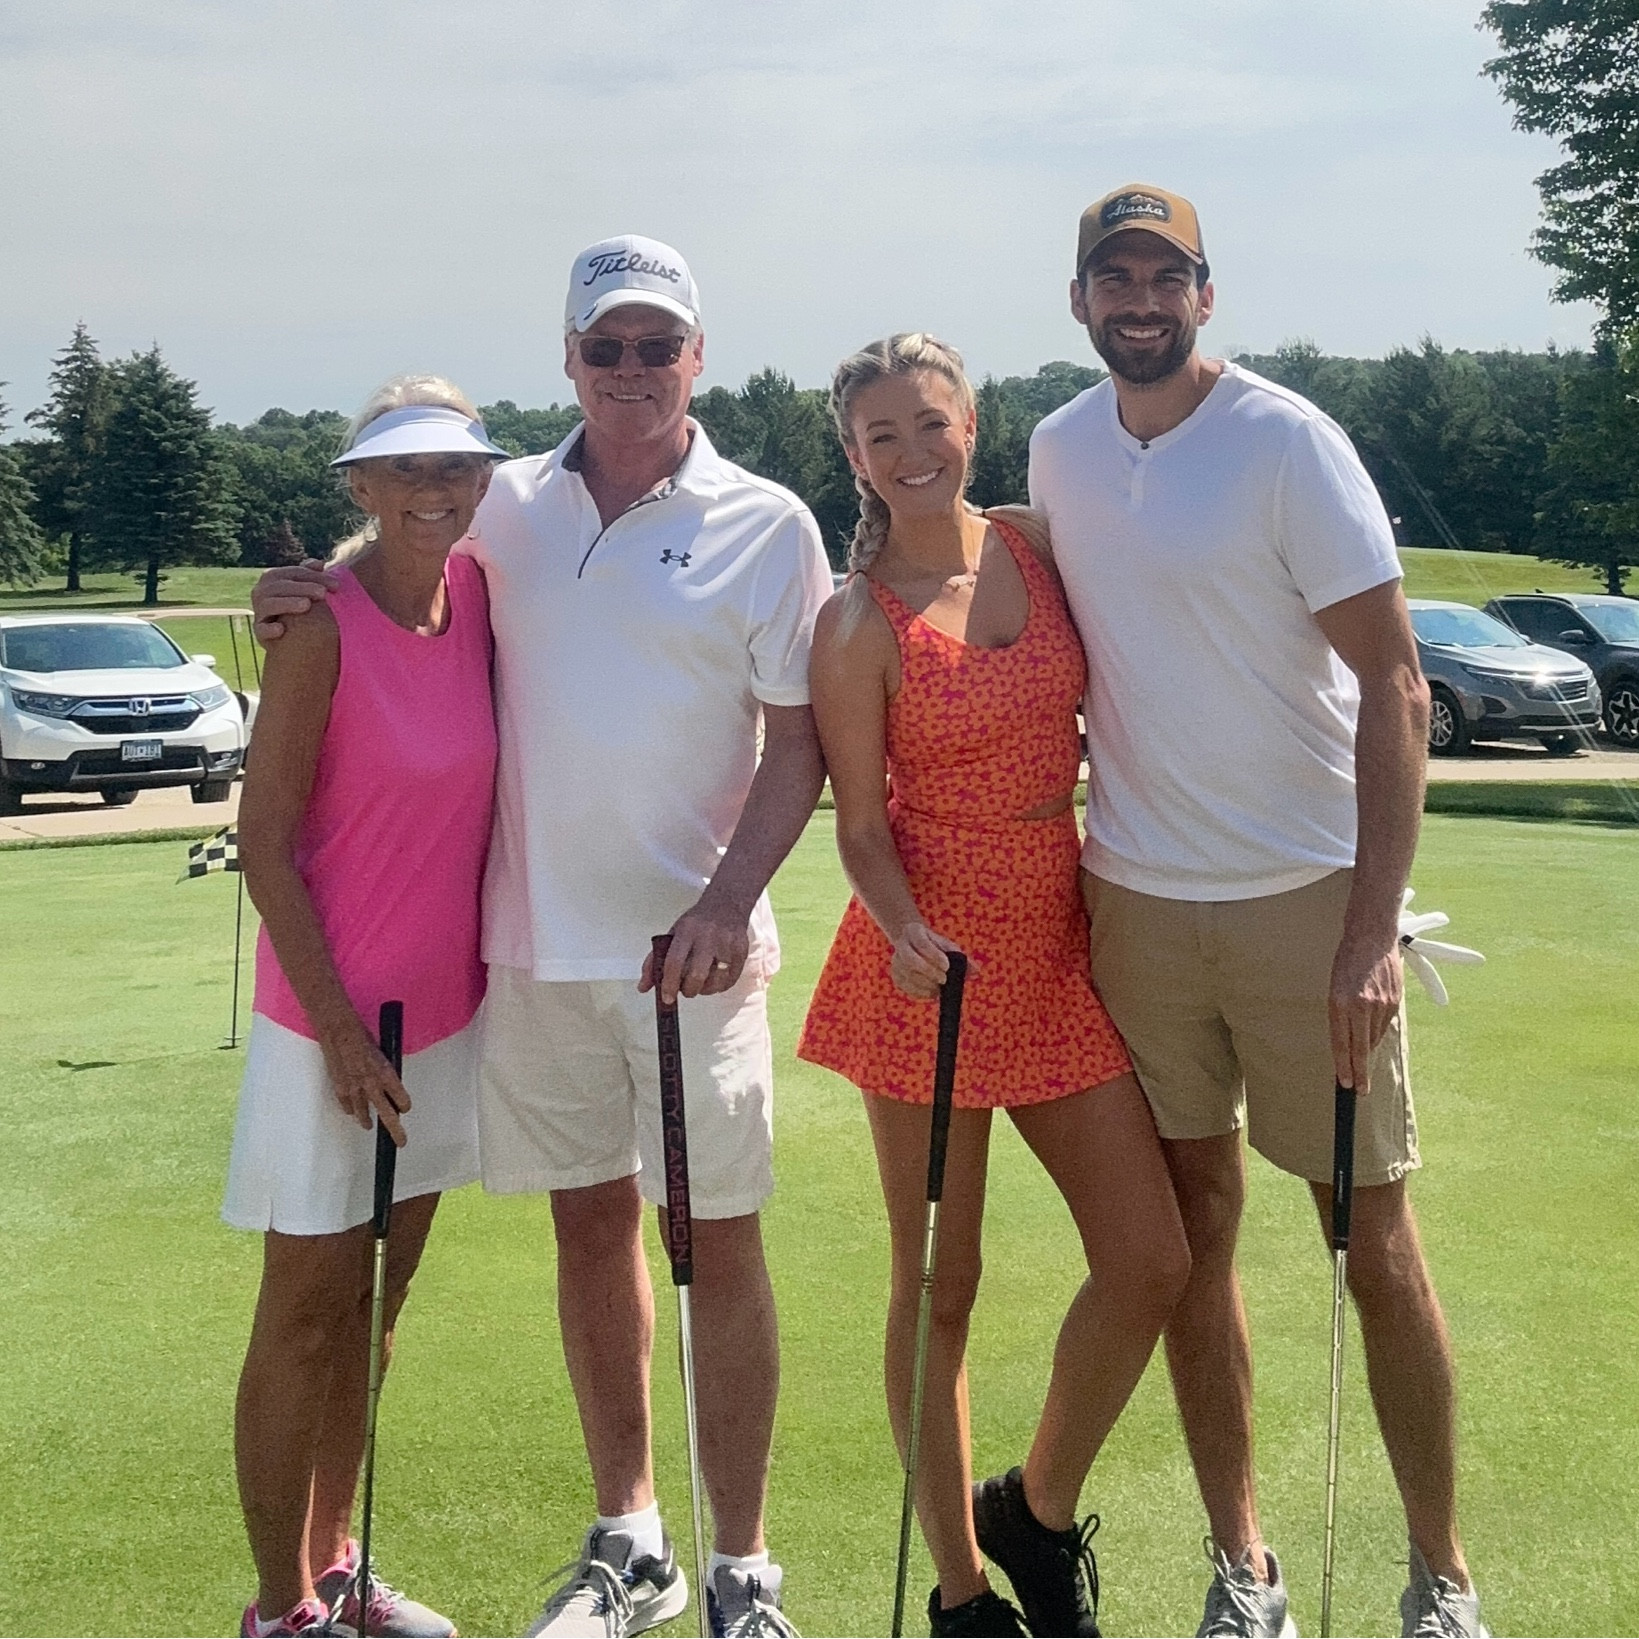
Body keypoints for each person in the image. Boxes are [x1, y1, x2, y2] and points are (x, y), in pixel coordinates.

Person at [252, 237, 831, 1639]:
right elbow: (398, 538)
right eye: (604, 346)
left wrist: (724, 900)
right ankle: (629, 1535)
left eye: (657, 344)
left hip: (691, 953)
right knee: (588, 1228)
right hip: (532, 953)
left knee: (718, 1239)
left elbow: (798, 744)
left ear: (698, 355)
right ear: (567, 357)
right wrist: (305, 593)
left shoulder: (767, 519)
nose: (631, 370)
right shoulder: (501, 499)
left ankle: (740, 1563)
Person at [1028, 184, 1487, 1639]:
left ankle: (1438, 1576)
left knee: (1371, 1242)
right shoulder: (1054, 448)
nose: (1138, 299)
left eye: (1165, 276)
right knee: (1192, 1241)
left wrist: (1367, 930)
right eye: (1114, 276)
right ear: (1081, 299)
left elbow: (1397, 685)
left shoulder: (1287, 440)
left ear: (1205, 295)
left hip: (1304, 903)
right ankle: (1244, 1564)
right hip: (1139, 906)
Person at [797, 333, 1190, 1639]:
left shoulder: (1034, 540)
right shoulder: (854, 619)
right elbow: (858, 822)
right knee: (939, 1278)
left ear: (973, 422)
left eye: (930, 423)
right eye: (880, 436)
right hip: (927, 971)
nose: (911, 453)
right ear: (851, 458)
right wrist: (902, 923)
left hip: (1059, 941)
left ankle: (1033, 1501)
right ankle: (962, 1588)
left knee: (1147, 1258)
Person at [228, 378, 508, 1637]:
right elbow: (265, 841)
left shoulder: (486, 599)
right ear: (361, 487)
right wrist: (338, 1029)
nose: (435, 489)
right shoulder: (322, 626)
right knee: (302, 1312)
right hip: (324, 1032)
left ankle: (337, 1562)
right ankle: (280, 1606)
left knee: (375, 1305)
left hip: (440, 1024)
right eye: (406, 471)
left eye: (456, 467)